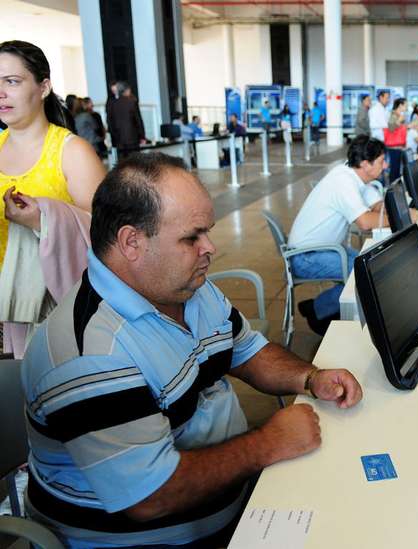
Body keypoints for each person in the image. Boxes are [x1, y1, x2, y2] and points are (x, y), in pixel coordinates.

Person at [21, 153, 363, 548]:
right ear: (131, 242)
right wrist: (267, 443)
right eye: (191, 237)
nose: (210, 248)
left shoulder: (185, 288)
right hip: (154, 538)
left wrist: (309, 377)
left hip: (233, 498)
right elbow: (151, 495)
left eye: (208, 232)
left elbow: (244, 348)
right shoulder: (89, 354)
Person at [0, 40, 105, 357]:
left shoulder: (72, 152)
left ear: (44, 86)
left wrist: (41, 220)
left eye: (12, 81)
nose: (0, 92)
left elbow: (107, 234)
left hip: (58, 313)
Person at [289, 135, 418, 335]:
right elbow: (366, 221)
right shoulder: (343, 181)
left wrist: (395, 210)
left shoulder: (355, 176)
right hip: (305, 257)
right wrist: (403, 216)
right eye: (381, 161)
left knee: (368, 264)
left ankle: (318, 306)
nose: (384, 166)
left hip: (326, 249)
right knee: (362, 274)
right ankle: (317, 310)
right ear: (366, 164)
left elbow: (377, 206)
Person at [106, 80, 146, 154]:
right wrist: (142, 136)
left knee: (123, 162)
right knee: (135, 161)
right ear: (126, 90)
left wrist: (113, 135)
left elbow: (109, 121)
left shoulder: (112, 104)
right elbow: (138, 120)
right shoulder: (132, 102)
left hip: (118, 139)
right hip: (132, 138)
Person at [384, 97, 408, 183]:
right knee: (394, 170)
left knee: (397, 169)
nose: (407, 107)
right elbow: (391, 128)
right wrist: (399, 120)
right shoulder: (393, 115)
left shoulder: (399, 115)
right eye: (405, 105)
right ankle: (393, 189)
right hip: (393, 147)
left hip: (398, 146)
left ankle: (396, 188)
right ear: (400, 105)